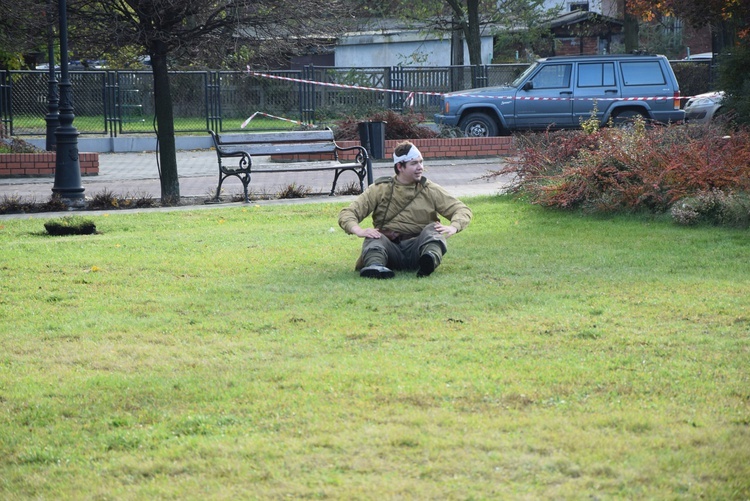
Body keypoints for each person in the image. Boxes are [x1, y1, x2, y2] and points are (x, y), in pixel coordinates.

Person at [338, 141, 472, 279]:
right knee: (374, 237)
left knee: (433, 230)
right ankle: (375, 266)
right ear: (399, 166)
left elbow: (461, 210)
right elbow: (348, 213)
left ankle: (429, 261)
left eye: (421, 162)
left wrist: (454, 227)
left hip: (418, 249)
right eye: (414, 163)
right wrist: (359, 231)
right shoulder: (380, 189)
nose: (420, 167)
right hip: (390, 249)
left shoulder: (430, 189)